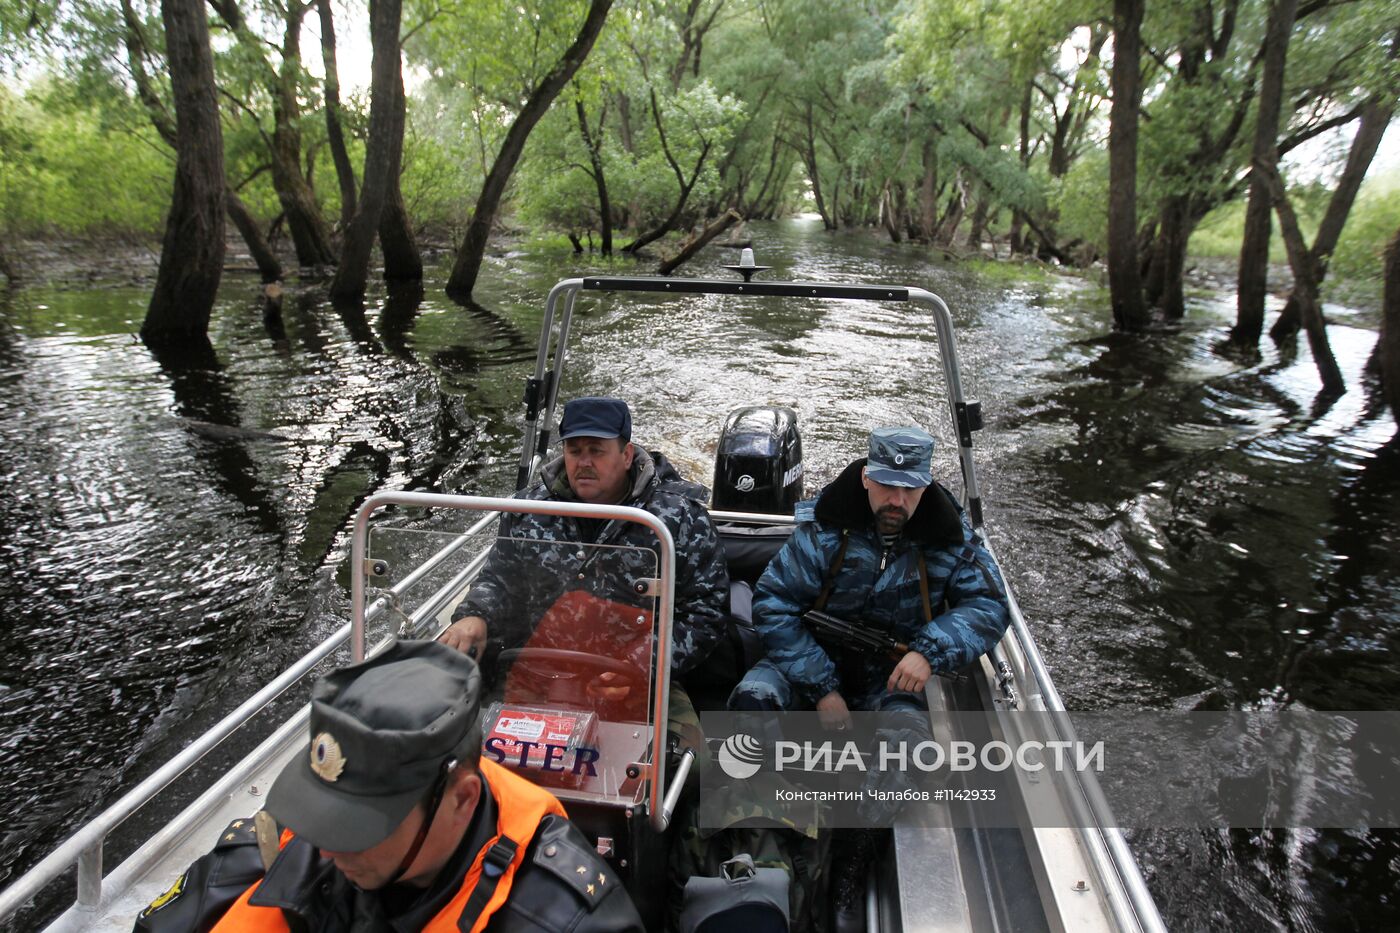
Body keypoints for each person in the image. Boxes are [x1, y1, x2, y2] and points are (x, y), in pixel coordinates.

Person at [134, 639, 643, 932]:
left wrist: (640, 663)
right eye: (326, 811)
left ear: (462, 799)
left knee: (710, 791)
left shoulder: (564, 920)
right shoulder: (273, 857)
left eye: (360, 824)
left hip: (636, 682)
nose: (328, 848)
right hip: (527, 671)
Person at [726, 426, 1009, 933]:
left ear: (925, 487)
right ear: (865, 478)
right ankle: (773, 838)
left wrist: (929, 652)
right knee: (750, 703)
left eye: (909, 489)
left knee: (908, 751)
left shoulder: (950, 538)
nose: (897, 500)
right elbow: (774, 603)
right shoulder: (826, 528)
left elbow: (989, 606)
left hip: (891, 678)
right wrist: (822, 687)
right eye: (886, 486)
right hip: (812, 659)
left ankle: (850, 867)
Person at [439, 397, 727, 741]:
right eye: (575, 451)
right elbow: (500, 581)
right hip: (535, 672)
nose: (584, 462)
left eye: (597, 450)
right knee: (454, 740)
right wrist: (475, 615)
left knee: (690, 770)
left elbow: (705, 612)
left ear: (626, 455)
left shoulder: (679, 520)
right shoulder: (527, 509)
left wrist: (642, 663)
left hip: (633, 681)